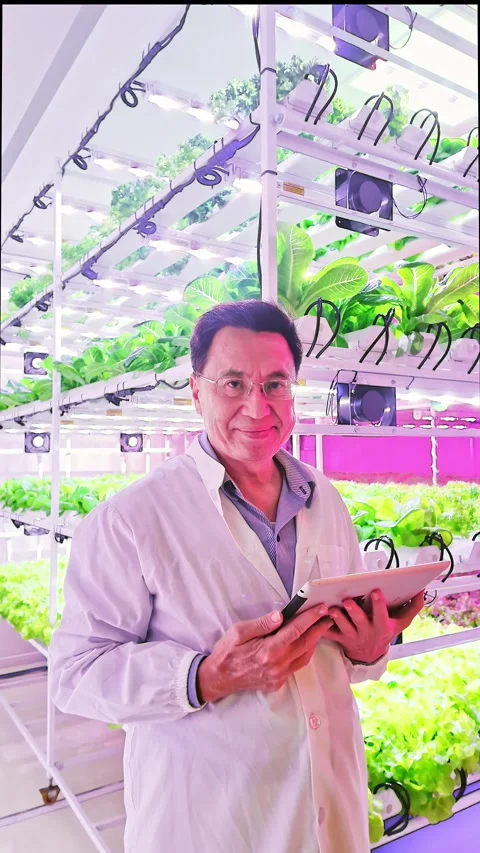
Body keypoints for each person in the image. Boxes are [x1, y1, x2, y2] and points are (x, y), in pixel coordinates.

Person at [50, 300, 424, 853]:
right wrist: (204, 676)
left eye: (276, 384)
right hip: (208, 822)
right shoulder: (130, 519)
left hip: (329, 807)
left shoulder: (325, 500)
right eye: (233, 384)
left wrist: (370, 650)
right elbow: (75, 674)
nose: (257, 406)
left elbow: (340, 657)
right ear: (197, 392)